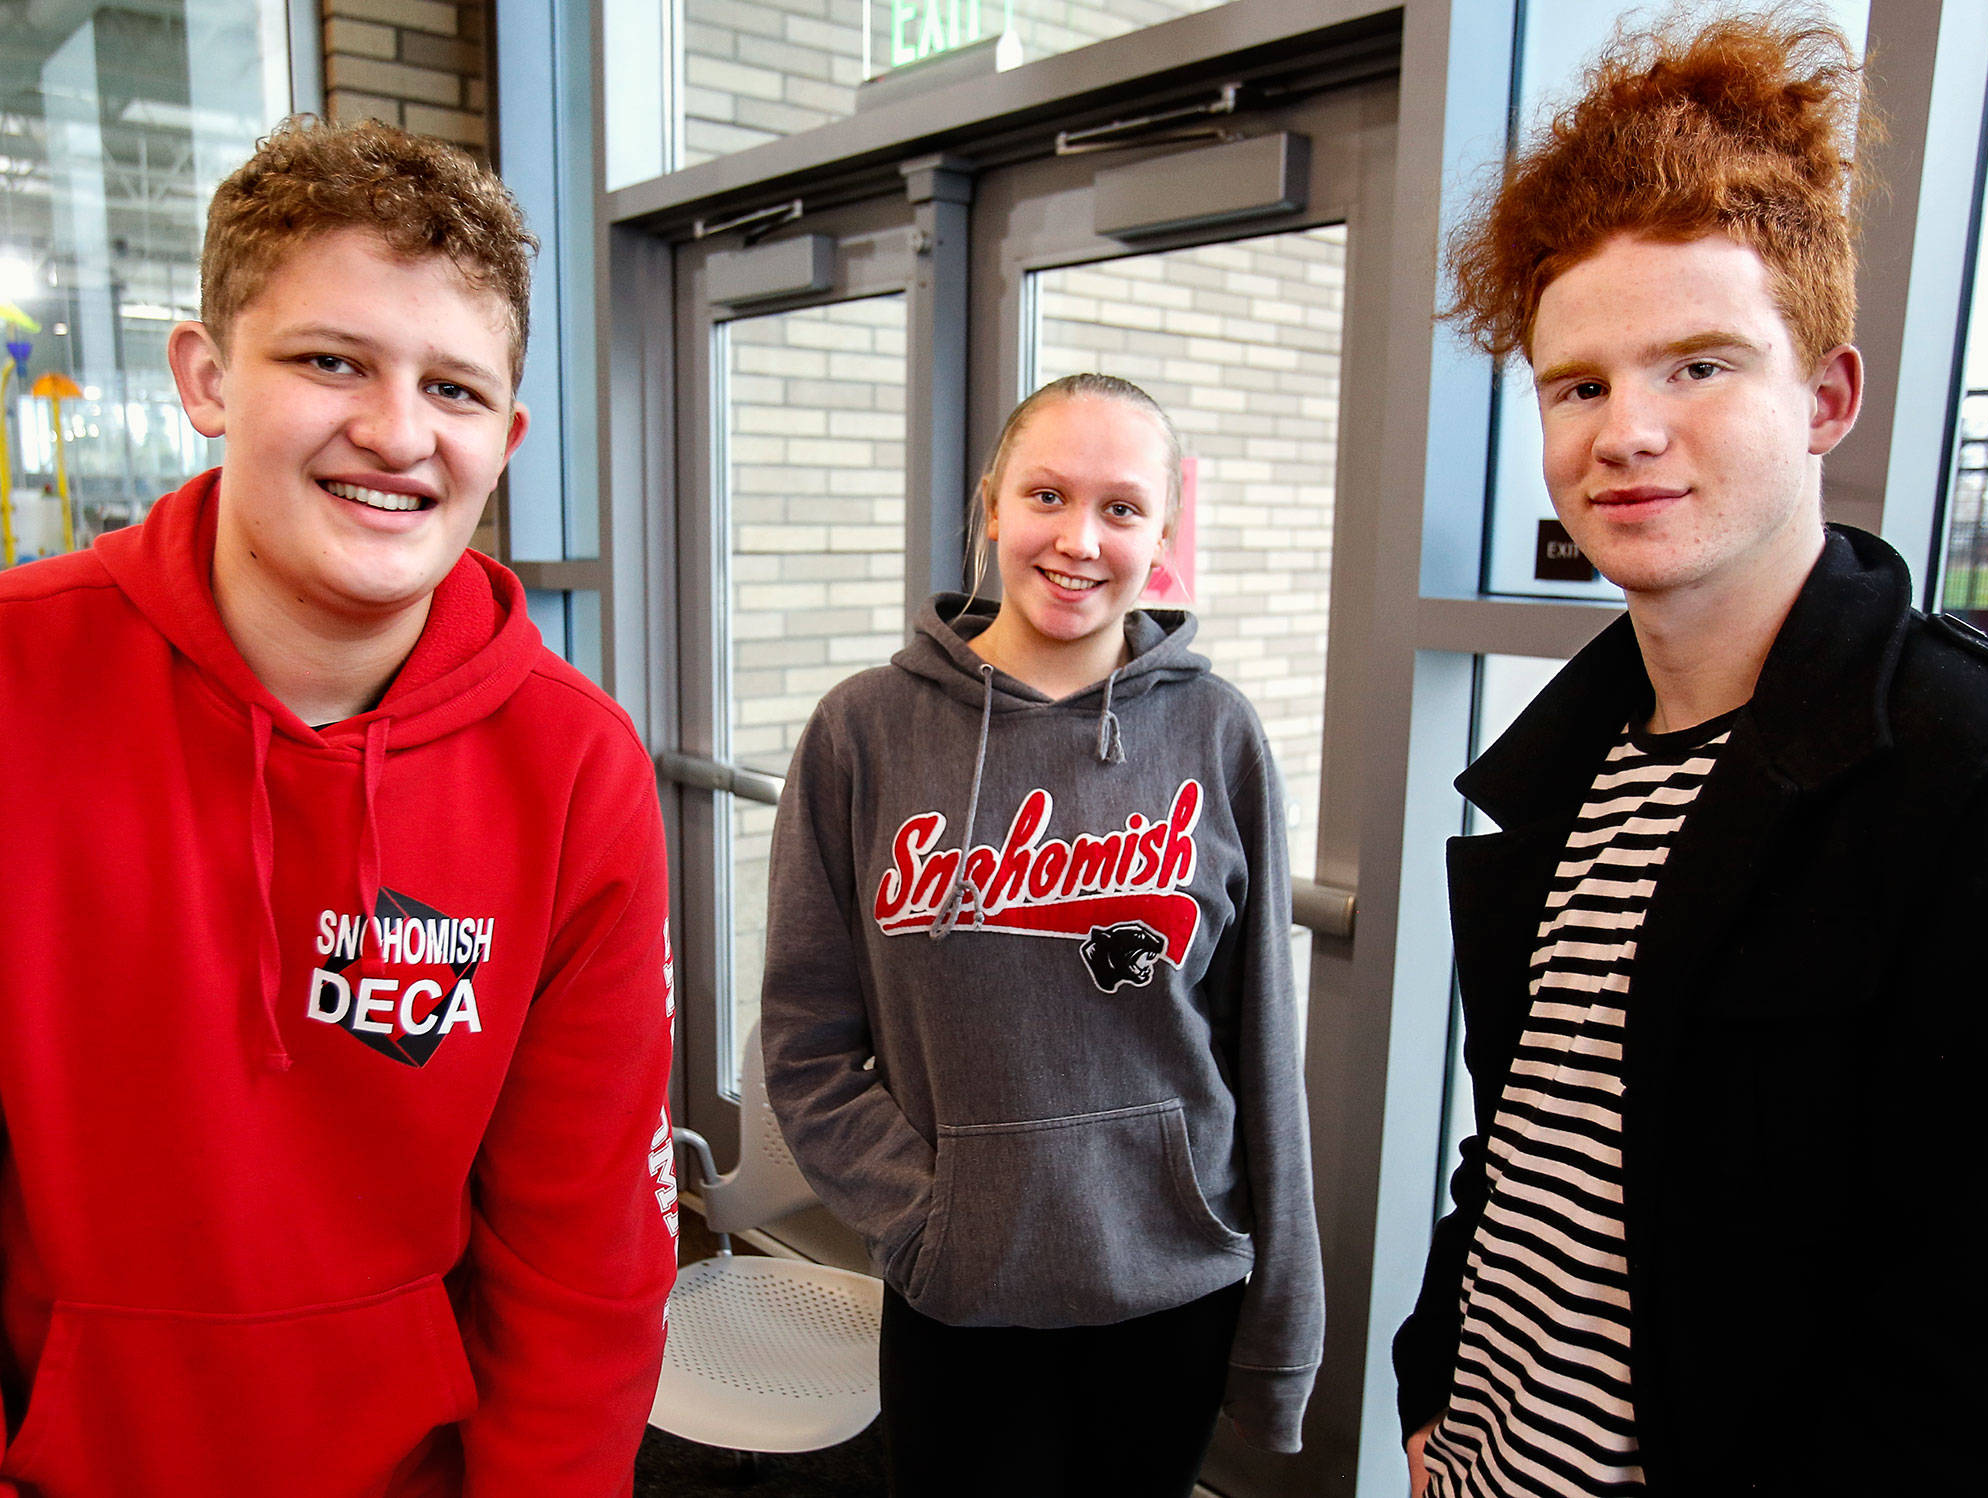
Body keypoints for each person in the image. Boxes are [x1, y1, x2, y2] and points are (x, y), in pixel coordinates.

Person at [1394, 9, 1988, 1496]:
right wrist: (1436, 1380)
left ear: (1826, 398)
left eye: (1699, 366)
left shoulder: (1986, 785)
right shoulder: (1566, 763)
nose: (1627, 431)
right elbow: (1528, 1148)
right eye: (1580, 383)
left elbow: (1986, 1360)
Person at [0, 119, 679, 1497]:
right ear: (205, 376)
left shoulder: (575, 767)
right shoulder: (19, 678)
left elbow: (583, 1266)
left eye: (455, 388)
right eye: (331, 360)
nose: (395, 431)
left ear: (508, 438)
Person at [760, 373, 1323, 1496]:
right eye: (1047, 495)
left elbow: (1258, 1048)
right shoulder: (861, 732)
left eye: (1121, 508)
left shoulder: (1215, 733)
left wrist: (1281, 1329)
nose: (1078, 539)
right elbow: (805, 1045)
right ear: (988, 507)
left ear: (1162, 533)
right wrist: (930, 1218)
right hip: (959, 1290)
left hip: (1172, 1284)